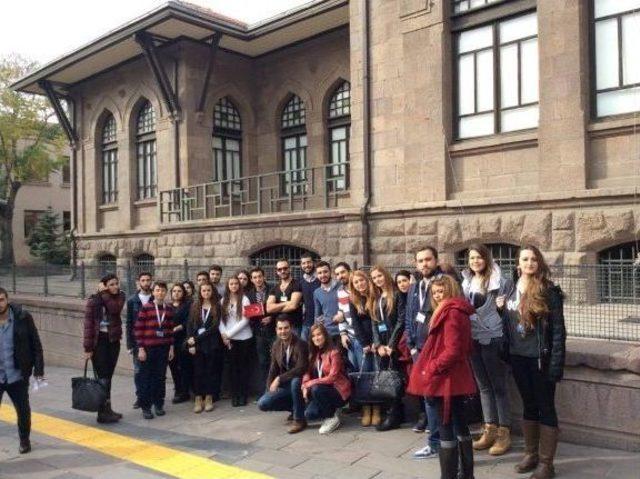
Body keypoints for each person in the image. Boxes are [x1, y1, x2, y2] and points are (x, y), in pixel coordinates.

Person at [497, 245, 565, 479]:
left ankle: (547, 464)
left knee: (546, 407)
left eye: (534, 259)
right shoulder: (512, 289)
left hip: (540, 360)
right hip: (518, 358)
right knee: (529, 405)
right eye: (525, 259)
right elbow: (510, 323)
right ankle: (531, 454)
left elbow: (557, 331)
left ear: (539, 263)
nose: (529, 263)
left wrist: (555, 365)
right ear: (518, 264)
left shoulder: (548, 291)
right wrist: (499, 311)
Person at [408, 275, 476, 479]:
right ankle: (465, 474)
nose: (438, 295)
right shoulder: (454, 309)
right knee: (459, 424)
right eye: (435, 292)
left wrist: (432, 367)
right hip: (453, 375)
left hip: (446, 377)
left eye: (442, 291)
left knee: (446, 426)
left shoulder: (452, 312)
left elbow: (453, 349)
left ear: (451, 290)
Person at [461, 244, 512, 455]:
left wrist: (502, 306)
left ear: (487, 258)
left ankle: (504, 433)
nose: (475, 261)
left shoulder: (500, 280)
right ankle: (489, 429)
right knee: (483, 386)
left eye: (479, 258)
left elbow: (510, 310)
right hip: (473, 338)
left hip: (492, 338)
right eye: (472, 258)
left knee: (498, 387)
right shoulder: (467, 281)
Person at [405, 246, 445, 458]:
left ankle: (440, 442)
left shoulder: (444, 285)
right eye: (420, 261)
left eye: (428, 259)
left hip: (438, 351)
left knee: (440, 397)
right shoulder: (415, 286)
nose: (424, 264)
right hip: (419, 351)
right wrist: (411, 347)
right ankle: (436, 442)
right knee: (429, 397)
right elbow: (409, 319)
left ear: (436, 260)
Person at [0, 287, 44, 454]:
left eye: (1, 300)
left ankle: (24, 440)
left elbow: (36, 345)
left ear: (7, 300)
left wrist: (38, 370)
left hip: (17, 374)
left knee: (23, 411)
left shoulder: (23, 318)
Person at [83, 274, 126, 423]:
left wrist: (104, 294)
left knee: (108, 377)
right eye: (111, 284)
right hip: (99, 342)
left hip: (113, 341)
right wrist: (88, 348)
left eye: (116, 284)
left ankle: (107, 409)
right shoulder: (93, 300)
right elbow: (88, 325)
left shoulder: (120, 296)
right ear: (104, 286)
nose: (115, 287)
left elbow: (115, 309)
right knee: (102, 378)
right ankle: (102, 412)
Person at [257, 315, 309, 434]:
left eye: (286, 328)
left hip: (299, 383)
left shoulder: (300, 344)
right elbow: (273, 367)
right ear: (276, 330)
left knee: (296, 381)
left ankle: (299, 419)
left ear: (291, 328)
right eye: (280, 329)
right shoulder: (276, 344)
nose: (283, 331)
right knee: (263, 403)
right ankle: (296, 409)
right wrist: (269, 387)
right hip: (285, 384)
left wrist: (279, 379)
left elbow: (301, 368)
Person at [370, 265, 405, 431]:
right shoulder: (376, 297)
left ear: (385, 276)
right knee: (385, 379)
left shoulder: (396, 294)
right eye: (374, 278)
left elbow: (401, 320)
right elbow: (374, 322)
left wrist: (391, 345)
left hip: (394, 343)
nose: (378, 280)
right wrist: (378, 345)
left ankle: (395, 416)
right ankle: (391, 412)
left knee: (395, 379)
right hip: (381, 345)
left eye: (380, 276)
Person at [134, 281, 175, 419]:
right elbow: (138, 329)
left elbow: (170, 330)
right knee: (146, 377)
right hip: (148, 347)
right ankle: (146, 407)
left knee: (160, 378)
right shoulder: (146, 307)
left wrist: (171, 348)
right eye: (157, 290)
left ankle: (159, 404)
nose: (160, 293)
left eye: (163, 290)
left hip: (163, 348)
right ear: (153, 292)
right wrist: (141, 348)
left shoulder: (168, 309)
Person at [302, 324, 351, 434]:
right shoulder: (313, 354)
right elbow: (306, 372)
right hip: (321, 390)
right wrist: (305, 383)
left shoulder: (334, 352)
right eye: (313, 336)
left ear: (325, 335)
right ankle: (331, 410)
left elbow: (332, 378)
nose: (316, 338)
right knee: (310, 415)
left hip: (338, 391)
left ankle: (331, 418)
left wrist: (310, 383)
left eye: (319, 334)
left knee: (316, 389)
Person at [347, 270, 380, 427]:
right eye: (356, 282)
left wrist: (377, 342)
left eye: (362, 280)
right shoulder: (353, 300)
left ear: (367, 280)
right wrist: (365, 343)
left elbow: (379, 321)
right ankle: (366, 409)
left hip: (377, 342)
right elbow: (355, 324)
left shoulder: (376, 296)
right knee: (365, 376)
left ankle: (377, 409)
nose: (360, 284)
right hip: (363, 344)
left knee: (377, 375)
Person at [396, 269, 426, 433]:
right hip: (409, 347)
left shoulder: (420, 294)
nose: (403, 284)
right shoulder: (401, 298)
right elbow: (406, 321)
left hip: (419, 344)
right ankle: (423, 415)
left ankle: (428, 417)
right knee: (415, 382)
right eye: (399, 282)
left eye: (405, 280)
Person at [186, 282, 222, 413]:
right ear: (200, 292)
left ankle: (208, 397)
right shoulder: (195, 306)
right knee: (198, 371)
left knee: (210, 371)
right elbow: (189, 325)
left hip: (211, 344)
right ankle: (198, 397)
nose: (206, 293)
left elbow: (214, 327)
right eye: (204, 290)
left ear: (212, 292)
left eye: (208, 290)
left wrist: (196, 338)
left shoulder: (216, 307)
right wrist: (191, 342)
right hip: (198, 345)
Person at [219, 276, 253, 407]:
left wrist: (228, 334)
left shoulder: (245, 299)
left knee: (243, 368)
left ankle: (243, 395)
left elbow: (246, 320)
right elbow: (220, 320)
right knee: (232, 369)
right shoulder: (223, 301)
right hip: (229, 340)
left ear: (239, 285)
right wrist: (223, 334)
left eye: (235, 284)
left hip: (244, 338)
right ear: (228, 286)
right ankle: (235, 395)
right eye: (231, 284)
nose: (233, 286)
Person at [126, 271, 153, 409]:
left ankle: (152, 396)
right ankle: (140, 397)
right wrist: (129, 344)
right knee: (138, 371)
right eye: (143, 280)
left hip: (153, 341)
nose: (146, 283)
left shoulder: (155, 298)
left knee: (152, 370)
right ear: (139, 282)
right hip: (138, 341)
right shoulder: (132, 300)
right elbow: (129, 323)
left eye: (148, 280)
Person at [334, 262, 363, 371]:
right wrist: (343, 334)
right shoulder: (340, 292)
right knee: (353, 371)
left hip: (362, 337)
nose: (340, 276)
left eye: (343, 272)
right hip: (350, 337)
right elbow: (341, 313)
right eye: (337, 274)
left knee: (364, 372)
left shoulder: (359, 288)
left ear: (350, 272)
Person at [247, 266, 274, 386]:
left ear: (264, 277)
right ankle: (264, 388)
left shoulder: (273, 290)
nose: (258, 279)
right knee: (262, 362)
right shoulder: (248, 295)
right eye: (255, 277)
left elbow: (280, 308)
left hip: (273, 330)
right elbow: (248, 315)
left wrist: (272, 318)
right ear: (251, 280)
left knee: (276, 360)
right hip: (258, 332)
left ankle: (277, 388)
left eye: (259, 277)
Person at [266, 259, 303, 336]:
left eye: (285, 268)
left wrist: (276, 307)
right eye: (279, 269)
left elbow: (293, 306)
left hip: (294, 327)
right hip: (280, 328)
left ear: (290, 269)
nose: (282, 271)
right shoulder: (274, 288)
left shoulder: (297, 284)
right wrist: (288, 303)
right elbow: (269, 308)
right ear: (277, 271)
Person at [169, 283, 192, 404]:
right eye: (174, 291)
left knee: (184, 366)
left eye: (179, 291)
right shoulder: (168, 306)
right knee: (173, 367)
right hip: (170, 341)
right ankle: (177, 389)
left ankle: (185, 391)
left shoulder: (187, 306)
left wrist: (179, 327)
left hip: (182, 339)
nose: (176, 293)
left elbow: (188, 321)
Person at [313, 261, 341, 341]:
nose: (323, 275)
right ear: (316, 275)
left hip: (342, 332)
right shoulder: (317, 292)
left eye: (325, 272)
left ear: (331, 272)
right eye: (320, 273)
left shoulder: (340, 287)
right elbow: (317, 315)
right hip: (327, 333)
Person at [300, 253, 320, 341]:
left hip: (320, 323)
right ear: (301, 265)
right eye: (304, 263)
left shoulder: (320, 280)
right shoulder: (299, 282)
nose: (306, 265)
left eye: (309, 262)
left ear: (314, 263)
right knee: (304, 350)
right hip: (306, 323)